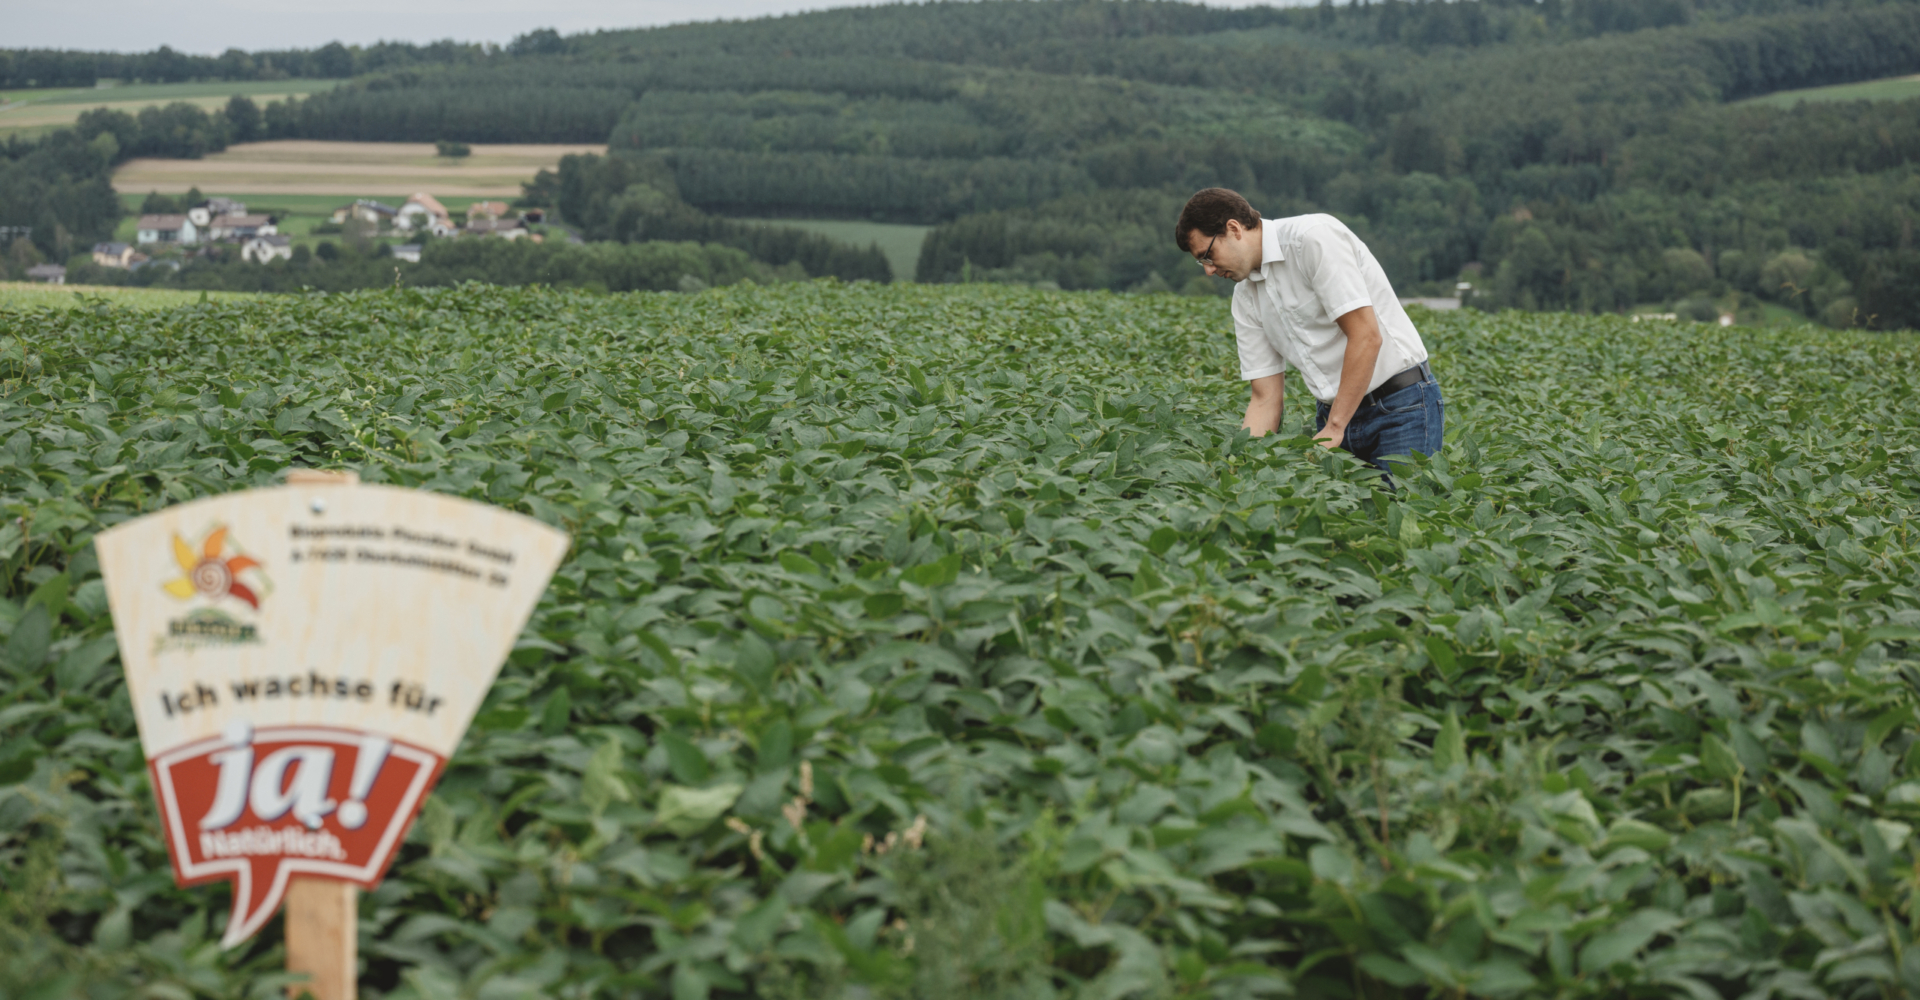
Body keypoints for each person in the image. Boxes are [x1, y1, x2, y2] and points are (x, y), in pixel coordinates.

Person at [1174, 187, 1443, 485]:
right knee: (1345, 527)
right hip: (1332, 418)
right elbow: (1265, 398)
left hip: (1400, 407)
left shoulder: (1312, 239)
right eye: (1202, 262)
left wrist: (1335, 426)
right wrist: (1243, 471)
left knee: (1406, 520)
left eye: (1208, 255)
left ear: (1234, 229)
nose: (1209, 270)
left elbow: (1366, 336)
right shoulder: (1246, 298)